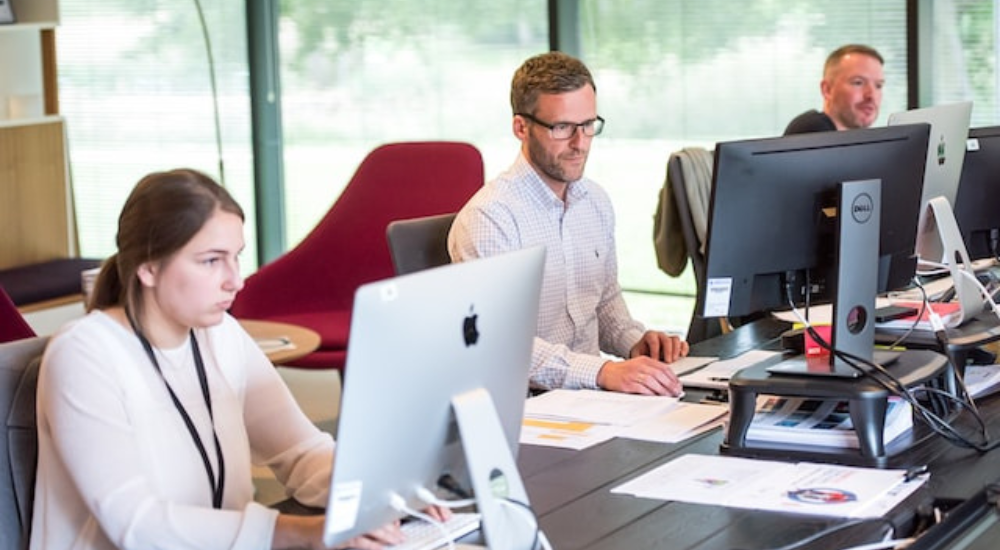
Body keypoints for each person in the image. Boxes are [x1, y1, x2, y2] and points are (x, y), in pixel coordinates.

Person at [31, 169, 439, 550]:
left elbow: (301, 452)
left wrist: (387, 496)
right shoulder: (85, 354)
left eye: (236, 256)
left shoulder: (219, 333)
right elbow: (136, 524)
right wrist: (306, 532)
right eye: (211, 260)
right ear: (148, 267)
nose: (236, 281)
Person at [448, 51, 688, 397]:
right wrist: (603, 371)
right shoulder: (490, 219)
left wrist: (636, 343)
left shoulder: (595, 202)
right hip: (528, 406)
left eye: (588, 125)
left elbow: (604, 302)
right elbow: (501, 343)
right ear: (521, 127)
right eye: (562, 128)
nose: (580, 143)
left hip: (591, 398)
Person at [784, 44, 885, 135]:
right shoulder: (812, 131)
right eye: (858, 83)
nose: (871, 95)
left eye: (878, 86)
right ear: (827, 90)